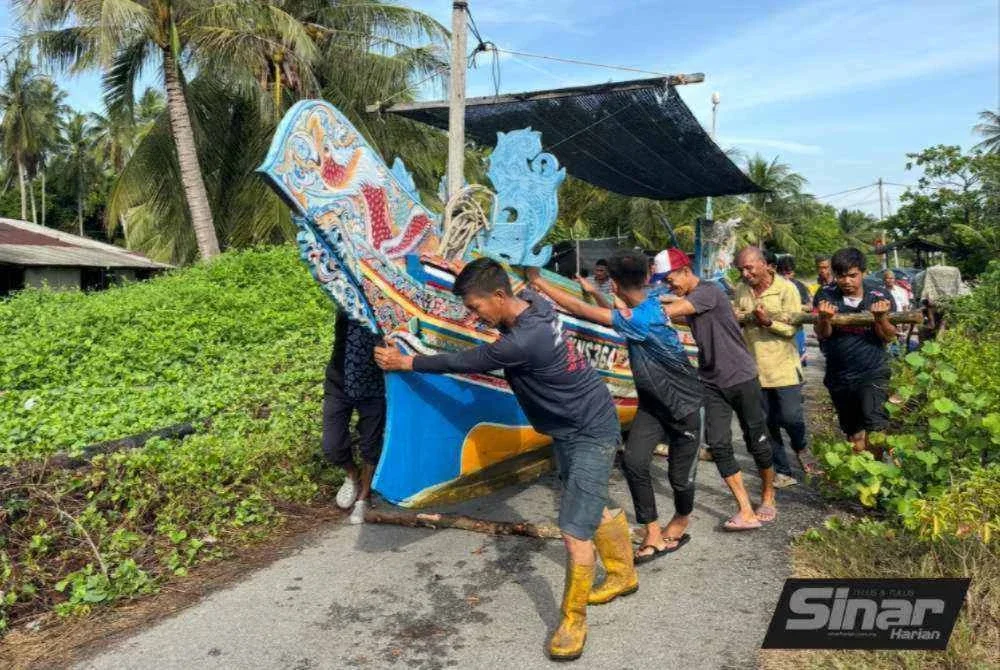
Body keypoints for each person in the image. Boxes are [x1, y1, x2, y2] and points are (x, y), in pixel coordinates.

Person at [374, 258, 633, 661]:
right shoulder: (533, 302)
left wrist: (407, 361)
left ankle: (573, 618)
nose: (473, 316)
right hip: (573, 422)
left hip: (589, 430)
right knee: (588, 503)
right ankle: (623, 573)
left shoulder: (523, 341)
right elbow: (522, 288)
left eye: (476, 308)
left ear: (498, 297)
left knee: (573, 530)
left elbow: (465, 362)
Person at [527, 251, 702, 563]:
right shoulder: (649, 302)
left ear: (617, 285)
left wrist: (537, 282)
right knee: (634, 463)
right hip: (652, 405)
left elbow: (581, 310)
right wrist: (595, 290)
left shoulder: (643, 317)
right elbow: (620, 312)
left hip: (683, 405)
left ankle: (681, 520)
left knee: (680, 477)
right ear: (647, 278)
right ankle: (651, 533)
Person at [658, 248, 777, 530]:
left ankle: (769, 497)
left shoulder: (709, 292)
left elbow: (674, 310)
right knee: (719, 444)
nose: (668, 284)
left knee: (756, 440)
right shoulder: (692, 300)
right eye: (663, 280)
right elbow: (676, 314)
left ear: (686, 271)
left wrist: (644, 310)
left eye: (670, 277)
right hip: (711, 382)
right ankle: (745, 509)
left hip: (741, 376)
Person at [733, 248, 821, 488]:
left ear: (764, 265)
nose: (745, 273)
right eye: (741, 269)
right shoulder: (741, 289)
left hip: (783, 367)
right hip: (754, 369)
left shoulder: (786, 288)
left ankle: (801, 446)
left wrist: (768, 322)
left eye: (749, 268)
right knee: (766, 423)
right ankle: (783, 470)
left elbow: (793, 328)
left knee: (791, 417)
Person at [814, 248, 897, 457]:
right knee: (854, 435)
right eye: (841, 276)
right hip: (840, 375)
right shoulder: (826, 295)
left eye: (852, 275)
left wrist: (880, 318)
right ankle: (863, 479)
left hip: (872, 371)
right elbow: (823, 335)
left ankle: (878, 474)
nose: (847, 281)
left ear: (863, 272)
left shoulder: (879, 295)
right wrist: (824, 318)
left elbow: (889, 336)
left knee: (876, 428)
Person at [324, 310, 386, 525]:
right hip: (339, 383)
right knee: (332, 446)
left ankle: (364, 496)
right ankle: (352, 475)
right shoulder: (346, 299)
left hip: (374, 386)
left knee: (371, 444)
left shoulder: (386, 310)